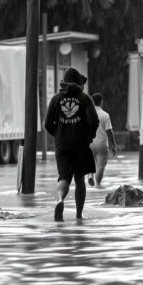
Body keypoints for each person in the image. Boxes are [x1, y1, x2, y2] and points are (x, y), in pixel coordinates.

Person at [45, 67, 99, 222]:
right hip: (80, 144)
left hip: (62, 146)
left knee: (64, 177)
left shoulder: (55, 99)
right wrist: (88, 137)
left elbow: (47, 123)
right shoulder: (85, 98)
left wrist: (59, 135)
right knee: (79, 178)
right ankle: (78, 215)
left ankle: (60, 200)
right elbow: (93, 121)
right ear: (78, 81)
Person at [87, 93, 117, 188]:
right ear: (101, 102)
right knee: (100, 166)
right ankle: (98, 186)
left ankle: (90, 175)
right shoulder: (105, 115)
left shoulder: (86, 114)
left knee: (89, 163)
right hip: (102, 144)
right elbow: (109, 131)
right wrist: (113, 145)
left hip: (89, 143)